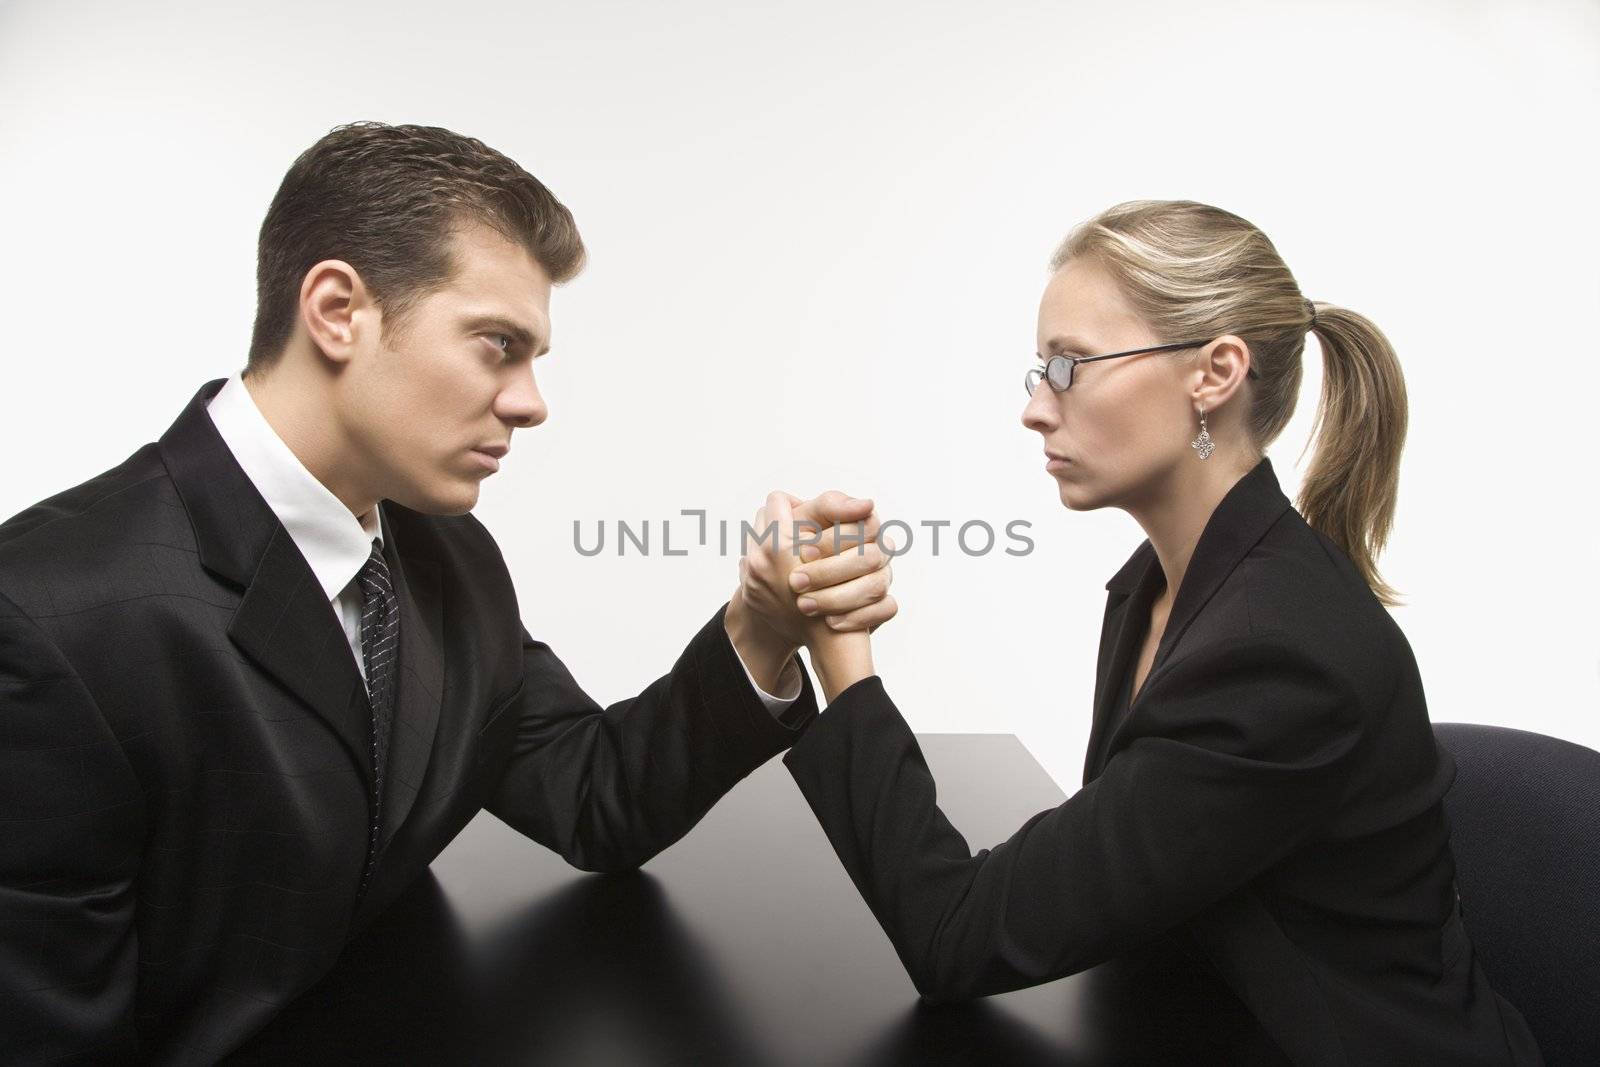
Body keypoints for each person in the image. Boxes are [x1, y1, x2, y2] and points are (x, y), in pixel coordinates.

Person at [0, 122, 894, 1064]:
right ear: (338, 309)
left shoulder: (447, 558)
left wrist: (757, 629)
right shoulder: (45, 620)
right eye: (498, 345)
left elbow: (593, 796)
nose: (531, 400)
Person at [737, 200, 1543, 1064]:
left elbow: (957, 937)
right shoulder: (1158, 590)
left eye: (1071, 366)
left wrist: (840, 653)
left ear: (1216, 371)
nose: (1037, 408)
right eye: (1039, 370)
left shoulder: (1282, 653)